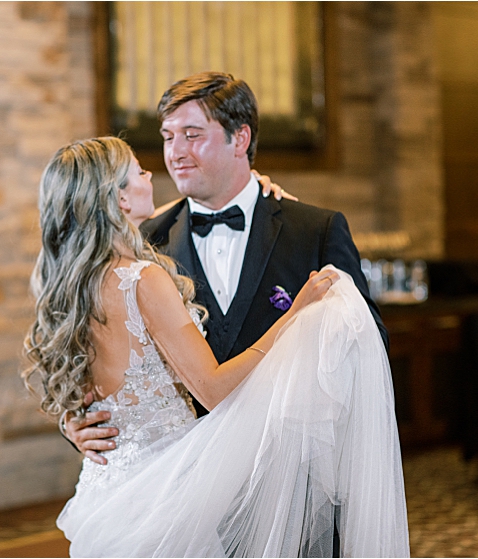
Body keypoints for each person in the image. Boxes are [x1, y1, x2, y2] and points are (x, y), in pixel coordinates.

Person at [27, 136, 407, 557]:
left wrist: (253, 185)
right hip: (167, 494)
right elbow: (213, 389)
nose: (152, 172)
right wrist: (294, 315)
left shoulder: (71, 284)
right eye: (139, 170)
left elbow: (89, 389)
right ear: (118, 198)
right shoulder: (142, 279)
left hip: (108, 489)